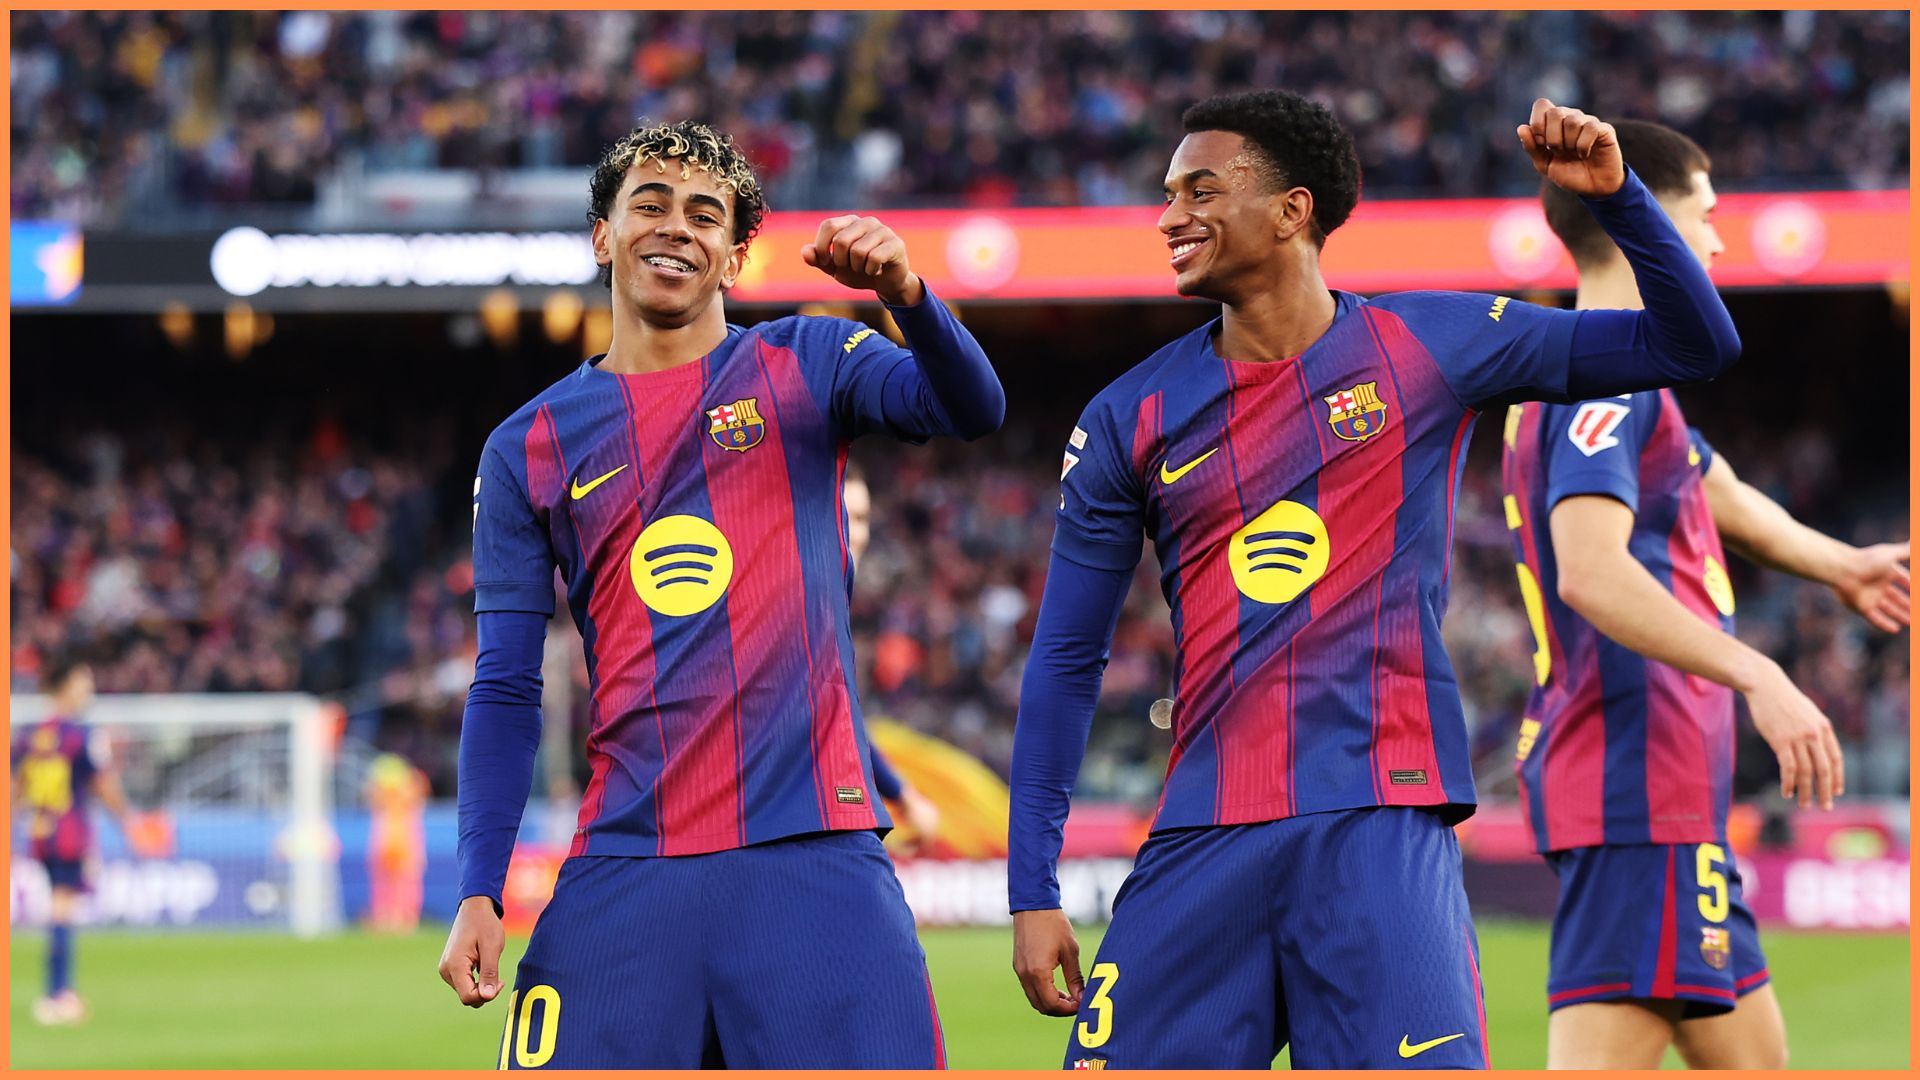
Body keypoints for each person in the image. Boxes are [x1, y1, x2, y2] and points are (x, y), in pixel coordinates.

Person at [1006, 91, 1742, 1069]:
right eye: (1167, 192)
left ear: (1291, 210)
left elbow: (1695, 343)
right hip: (1200, 836)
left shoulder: (1431, 343)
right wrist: (1031, 886)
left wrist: (1621, 199)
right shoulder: (1127, 416)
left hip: (1381, 830)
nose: (1168, 214)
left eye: (1201, 189)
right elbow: (1066, 658)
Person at [436, 119, 1003, 1068]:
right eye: (649, 204)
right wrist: (480, 887)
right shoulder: (528, 444)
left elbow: (970, 407)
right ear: (603, 234)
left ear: (737, 256)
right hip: (626, 863)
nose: (677, 227)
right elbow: (505, 686)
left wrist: (905, 294)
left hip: (813, 858)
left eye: (707, 215)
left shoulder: (808, 363)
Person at [1500, 119, 1911, 1070]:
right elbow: (1592, 569)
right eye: (1708, 214)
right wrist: (1758, 672)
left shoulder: (1601, 374)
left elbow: (1726, 497)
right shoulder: (1603, 389)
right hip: (1636, 789)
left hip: (1663, 794)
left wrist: (1843, 565)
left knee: (1759, 1062)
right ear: (1644, 213)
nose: (1720, 242)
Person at [10, 657, 144, 1026]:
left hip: (40, 831)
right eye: (85, 682)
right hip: (70, 833)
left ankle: (58, 992)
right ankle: (58, 994)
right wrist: (130, 822)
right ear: (66, 685)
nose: (90, 690)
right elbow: (103, 784)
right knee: (62, 909)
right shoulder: (81, 735)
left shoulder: (30, 734)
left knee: (58, 905)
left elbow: (15, 788)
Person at [844, 463, 943, 851]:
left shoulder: (833, 603)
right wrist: (901, 794)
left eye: (863, 518)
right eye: (846, 516)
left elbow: (837, 713)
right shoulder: (796, 605)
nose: (858, 533)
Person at [363, 751, 431, 934]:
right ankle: (386, 917)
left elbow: (421, 790)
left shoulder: (408, 798)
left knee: (404, 881)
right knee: (387, 881)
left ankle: (404, 918)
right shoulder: (386, 802)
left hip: (403, 840)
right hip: (388, 840)